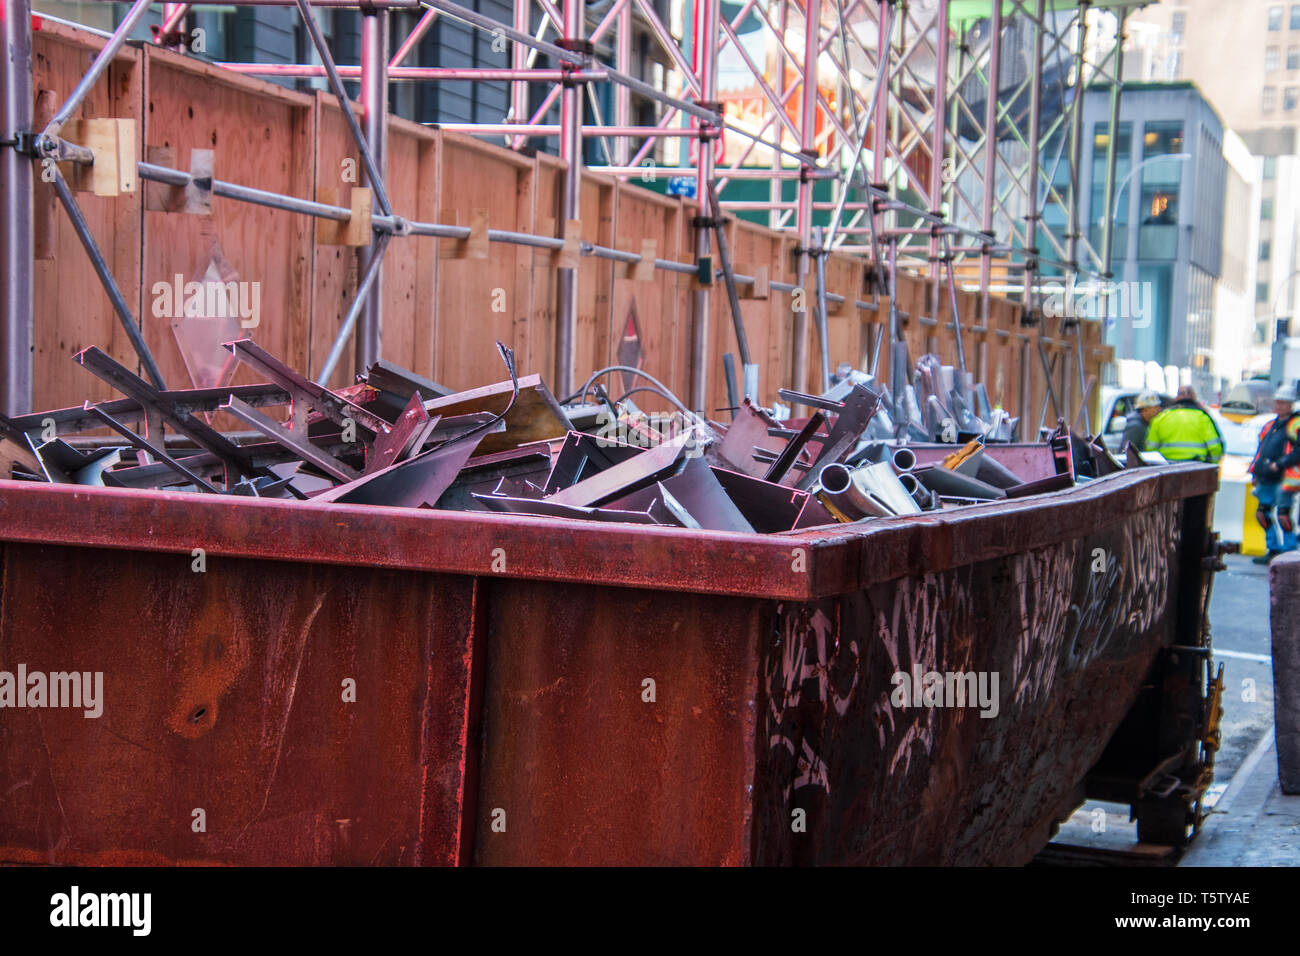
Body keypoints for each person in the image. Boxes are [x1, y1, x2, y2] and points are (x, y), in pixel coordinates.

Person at [1250, 384, 1300, 564]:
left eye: (1283, 403)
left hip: (1285, 477)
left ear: (1290, 405)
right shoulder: (1270, 425)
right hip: (1267, 476)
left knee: (1283, 515)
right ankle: (1273, 548)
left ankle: (1289, 552)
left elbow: (1298, 451)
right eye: (1277, 402)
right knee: (1262, 514)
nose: (1279, 406)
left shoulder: (1296, 424)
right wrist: (1254, 471)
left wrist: (1281, 464)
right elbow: (1261, 450)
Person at [1144, 385, 1225, 462]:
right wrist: (1212, 464)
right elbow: (1215, 447)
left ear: (1176, 398)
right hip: (1196, 466)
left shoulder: (1161, 417)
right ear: (1194, 398)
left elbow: (1151, 448)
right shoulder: (1202, 417)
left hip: (1168, 467)